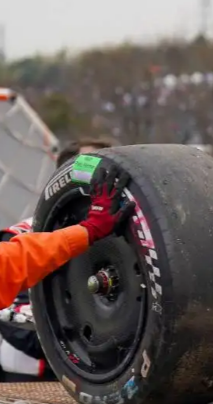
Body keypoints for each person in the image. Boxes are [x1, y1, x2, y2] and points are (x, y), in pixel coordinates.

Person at [0, 139, 130, 380]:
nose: (106, 179)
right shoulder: (24, 234)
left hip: (102, 372)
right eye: (95, 170)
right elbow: (14, 323)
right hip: (32, 378)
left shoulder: (138, 240)